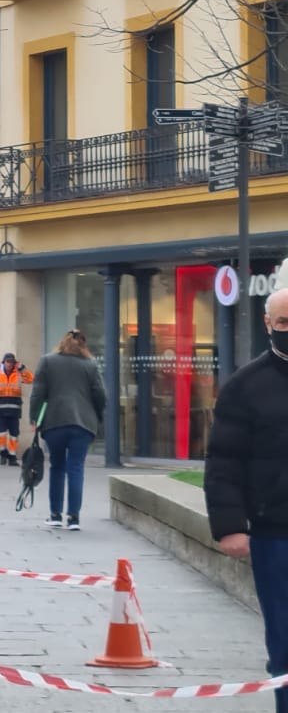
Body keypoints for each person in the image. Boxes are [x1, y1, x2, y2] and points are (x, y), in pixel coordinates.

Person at [206, 288, 288, 713]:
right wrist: (230, 525)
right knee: (285, 642)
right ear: (268, 325)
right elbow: (223, 461)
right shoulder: (245, 386)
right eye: (285, 324)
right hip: (276, 534)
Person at [28, 329, 106, 531]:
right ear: (83, 345)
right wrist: (97, 415)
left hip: (55, 421)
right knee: (76, 468)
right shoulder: (90, 364)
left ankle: (55, 514)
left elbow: (37, 393)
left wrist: (34, 417)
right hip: (83, 424)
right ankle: (74, 518)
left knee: (57, 466)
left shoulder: (47, 361)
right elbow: (100, 395)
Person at [0, 352, 33, 466]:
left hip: (14, 408)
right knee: (1, 432)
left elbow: (30, 379)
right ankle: (3, 453)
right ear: (4, 362)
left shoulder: (18, 373)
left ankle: (12, 455)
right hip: (0, 407)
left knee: (14, 433)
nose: (9, 364)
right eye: (7, 362)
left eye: (11, 362)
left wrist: (23, 369)